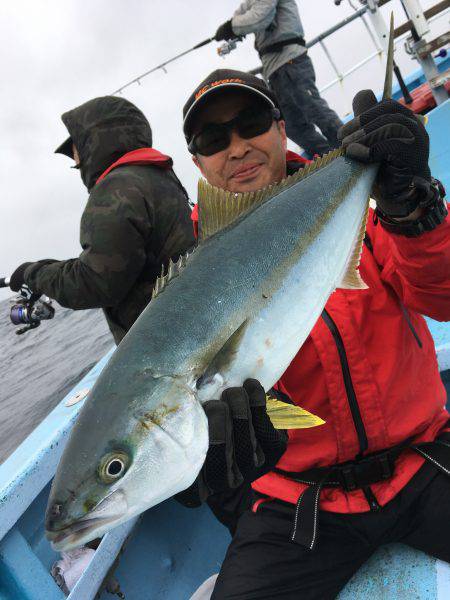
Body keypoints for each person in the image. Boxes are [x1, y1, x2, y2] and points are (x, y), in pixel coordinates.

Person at [180, 68, 450, 599]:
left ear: (281, 130)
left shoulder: (370, 204)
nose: (236, 148)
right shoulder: (194, 285)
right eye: (214, 139)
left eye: (251, 123)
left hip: (424, 462)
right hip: (301, 505)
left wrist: (415, 208)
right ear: (197, 164)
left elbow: (443, 297)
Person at [9, 96, 195, 345]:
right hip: (191, 317)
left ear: (93, 145)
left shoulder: (115, 189)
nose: (76, 163)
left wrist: (31, 273)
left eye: (76, 153)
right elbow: (119, 259)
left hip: (172, 341)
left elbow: (95, 283)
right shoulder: (156, 176)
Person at [215, 0, 343, 156]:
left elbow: (260, 17)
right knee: (291, 125)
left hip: (291, 61)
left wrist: (231, 27)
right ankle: (330, 156)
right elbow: (244, 12)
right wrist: (233, 27)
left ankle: (349, 146)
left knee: (314, 109)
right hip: (274, 70)